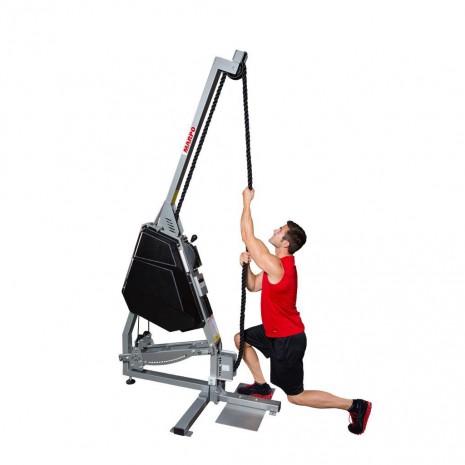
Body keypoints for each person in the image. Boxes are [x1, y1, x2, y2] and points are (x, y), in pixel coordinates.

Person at [235, 187, 372, 435]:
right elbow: (253, 286)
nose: (275, 230)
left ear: (285, 243)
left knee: (295, 397)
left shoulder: (279, 267)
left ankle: (355, 405)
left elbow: (247, 235)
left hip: (288, 339)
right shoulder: (274, 266)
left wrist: (247, 202)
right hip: (275, 332)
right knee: (240, 339)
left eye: (279, 231)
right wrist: (245, 267)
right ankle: (261, 386)